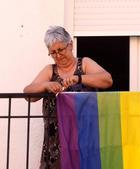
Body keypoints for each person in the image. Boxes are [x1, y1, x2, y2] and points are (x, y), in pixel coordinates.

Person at [23, 26, 113, 169]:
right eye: (53, 53)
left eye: (61, 50)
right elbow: (28, 94)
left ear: (70, 45)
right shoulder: (49, 70)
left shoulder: (84, 64)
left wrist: (79, 78)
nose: (58, 56)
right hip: (56, 142)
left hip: (85, 138)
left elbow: (107, 80)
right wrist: (46, 85)